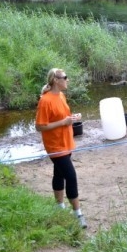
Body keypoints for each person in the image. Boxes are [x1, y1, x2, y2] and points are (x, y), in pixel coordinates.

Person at [35, 68, 87, 228]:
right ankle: (77, 214)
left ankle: (59, 207)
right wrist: (63, 123)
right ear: (56, 80)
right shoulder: (45, 100)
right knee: (71, 176)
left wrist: (72, 118)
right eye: (65, 77)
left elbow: (63, 117)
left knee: (59, 174)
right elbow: (39, 126)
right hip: (55, 146)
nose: (68, 80)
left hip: (66, 142)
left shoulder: (61, 96)